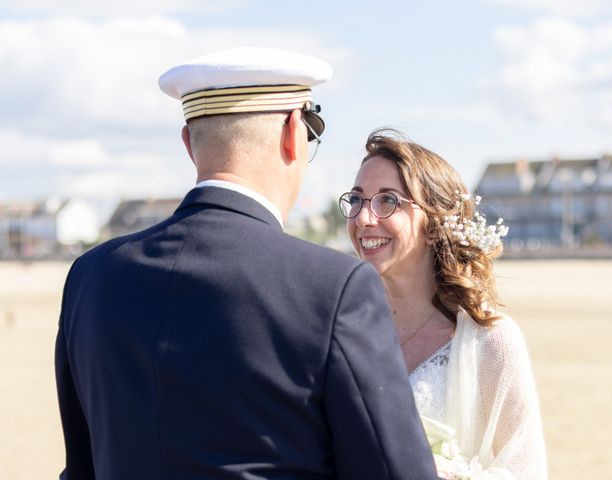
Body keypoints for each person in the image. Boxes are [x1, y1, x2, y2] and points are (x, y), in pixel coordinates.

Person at [55, 48, 439, 479]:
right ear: (294, 133)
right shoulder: (334, 287)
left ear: (188, 143)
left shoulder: (90, 276)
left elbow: (81, 467)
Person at [339, 128, 547, 479]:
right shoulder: (341, 332)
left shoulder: (490, 342)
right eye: (357, 200)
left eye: (387, 200)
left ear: (435, 226)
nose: (363, 219)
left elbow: (527, 470)